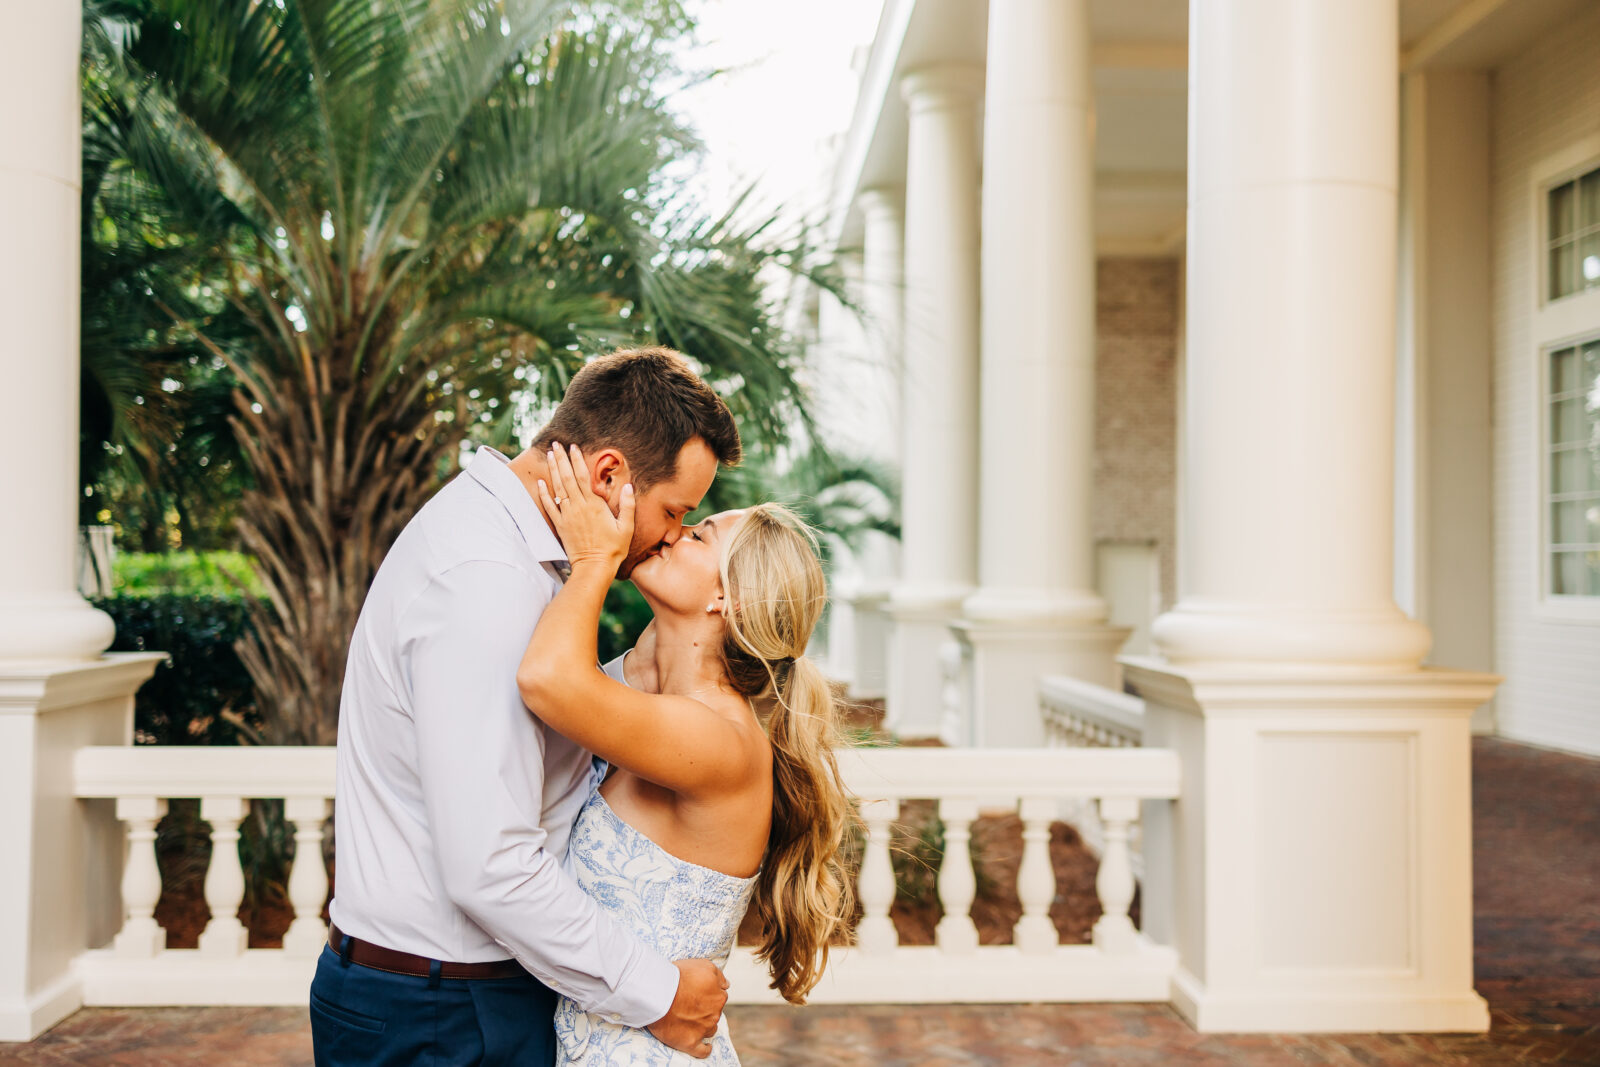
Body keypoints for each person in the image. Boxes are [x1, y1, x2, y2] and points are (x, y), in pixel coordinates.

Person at [311, 348, 743, 1066]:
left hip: (459, 997)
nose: (671, 534)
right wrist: (657, 992)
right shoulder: (488, 581)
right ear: (609, 475)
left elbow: (545, 733)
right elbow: (491, 864)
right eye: (674, 512)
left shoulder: (523, 557)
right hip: (442, 1014)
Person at [518, 441, 853, 1065]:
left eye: (696, 536)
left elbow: (546, 680)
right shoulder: (643, 693)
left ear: (728, 599)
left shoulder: (717, 739)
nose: (669, 535)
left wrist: (595, 559)